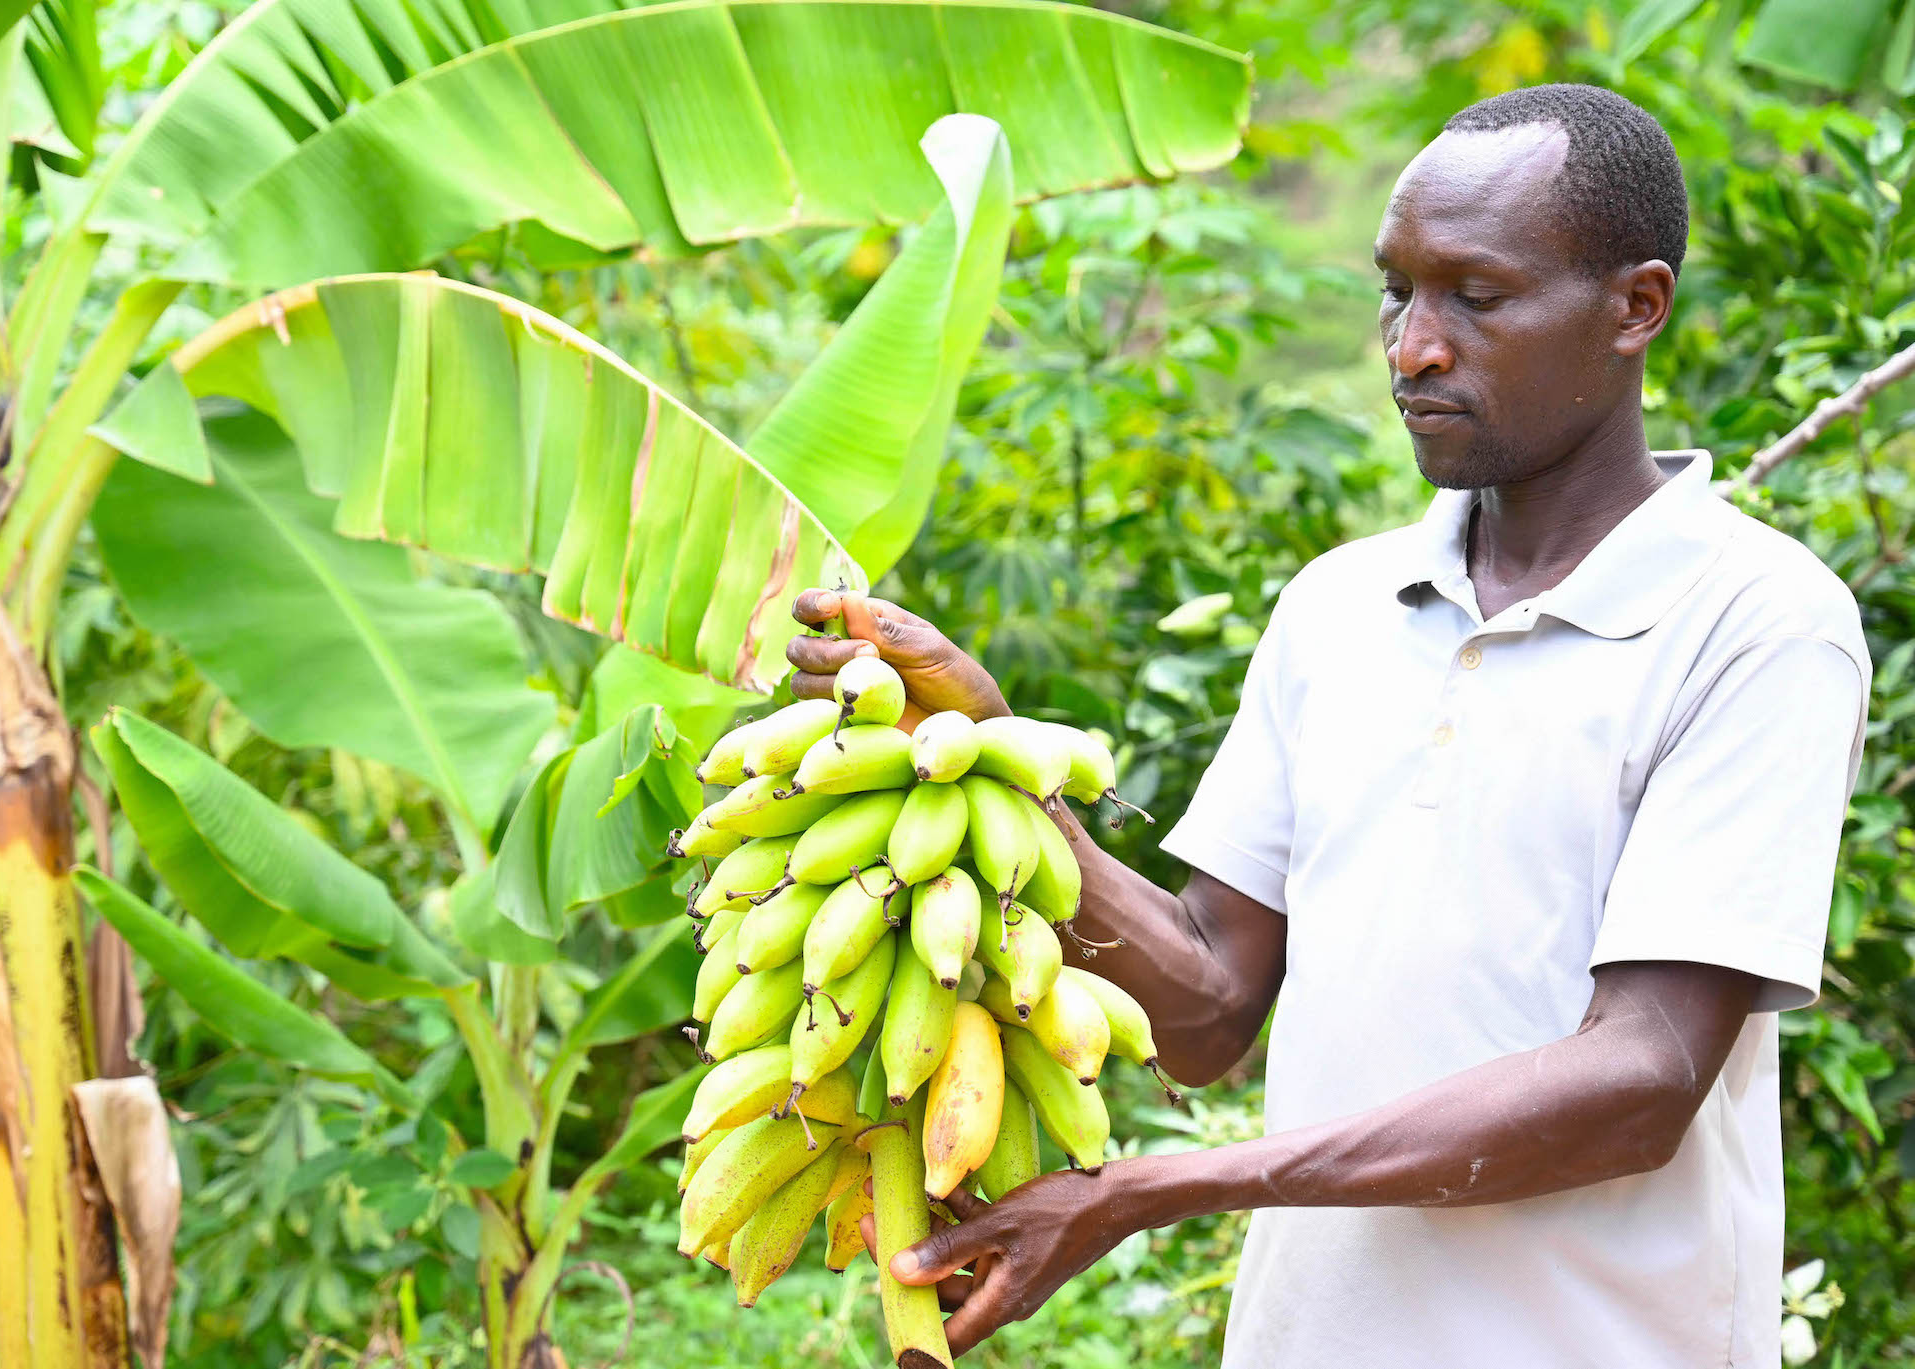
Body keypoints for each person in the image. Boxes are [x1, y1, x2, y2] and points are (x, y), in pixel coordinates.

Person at [783, 84, 1870, 1368]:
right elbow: (1206, 1009)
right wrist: (994, 770)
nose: (1412, 346)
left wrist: (1164, 1186)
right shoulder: (1338, 608)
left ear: (1635, 307)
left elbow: (1638, 1080)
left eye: (1475, 296)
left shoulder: (1756, 621)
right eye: (1396, 293)